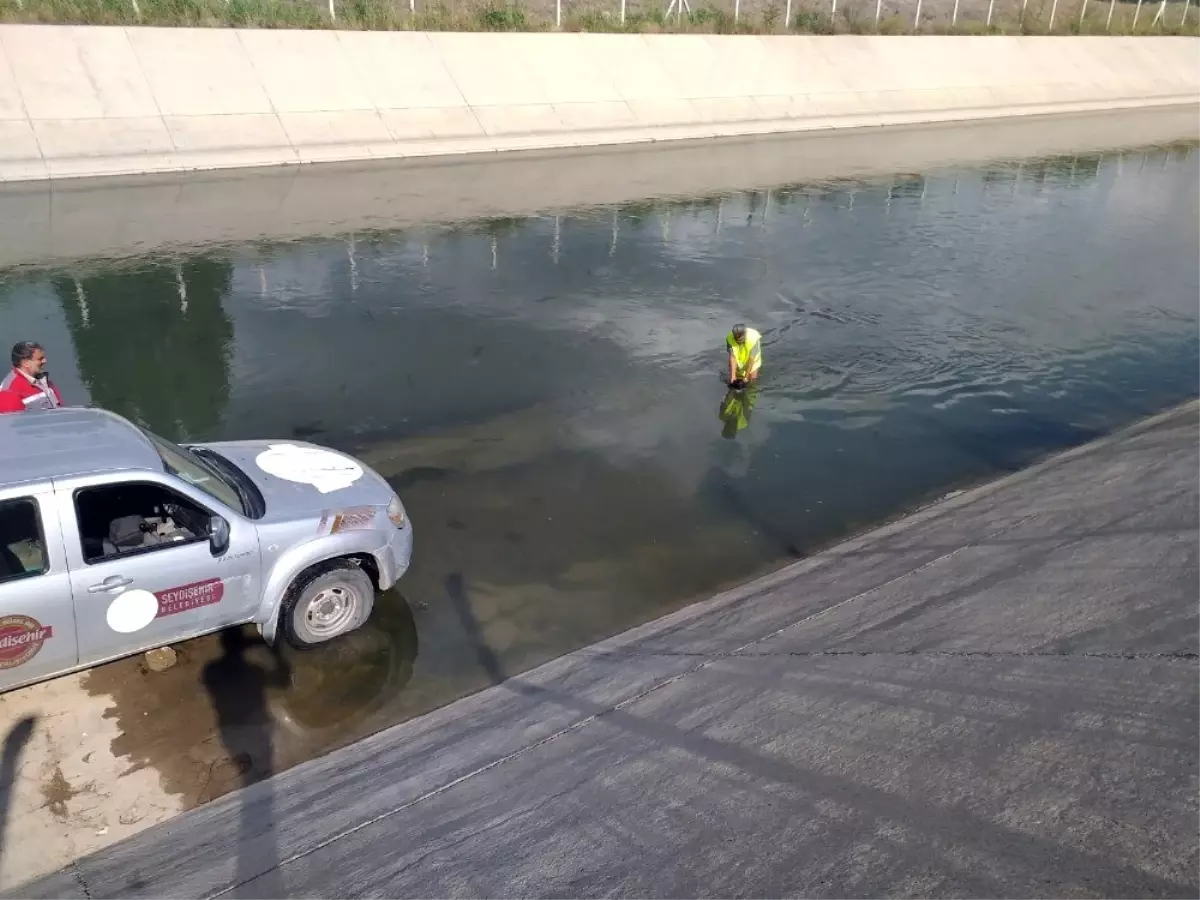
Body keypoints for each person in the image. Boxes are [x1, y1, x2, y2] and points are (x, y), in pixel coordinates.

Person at [1, 341, 63, 412]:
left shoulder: (45, 381)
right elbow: (10, 421)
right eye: (40, 359)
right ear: (26, 363)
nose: (45, 360)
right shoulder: (9, 390)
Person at [726, 323, 762, 389]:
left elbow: (751, 360)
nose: (738, 341)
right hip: (739, 358)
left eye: (740, 340)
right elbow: (732, 357)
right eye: (736, 340)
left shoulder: (753, 340)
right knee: (735, 378)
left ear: (744, 336)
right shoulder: (729, 338)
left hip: (753, 360)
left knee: (752, 379)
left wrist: (745, 378)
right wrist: (733, 376)